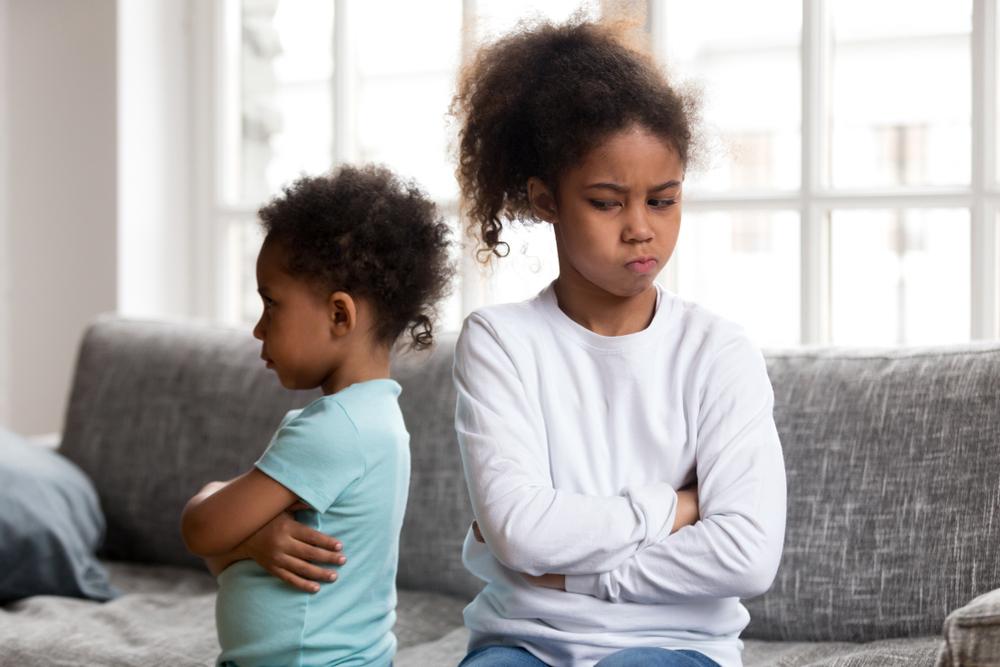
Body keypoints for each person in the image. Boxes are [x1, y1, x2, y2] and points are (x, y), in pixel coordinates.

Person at [450, 17, 787, 667]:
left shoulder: (719, 353)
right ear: (546, 201)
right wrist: (672, 507)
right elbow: (521, 532)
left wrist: (581, 576)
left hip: (676, 644)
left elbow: (747, 553)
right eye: (607, 202)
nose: (641, 229)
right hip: (523, 637)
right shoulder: (499, 342)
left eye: (663, 200)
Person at [180, 165, 452, 667]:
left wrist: (241, 529)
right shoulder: (375, 420)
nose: (259, 329)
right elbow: (220, 552)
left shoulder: (333, 431)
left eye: (271, 305)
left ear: (339, 315)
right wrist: (252, 543)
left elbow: (201, 529)